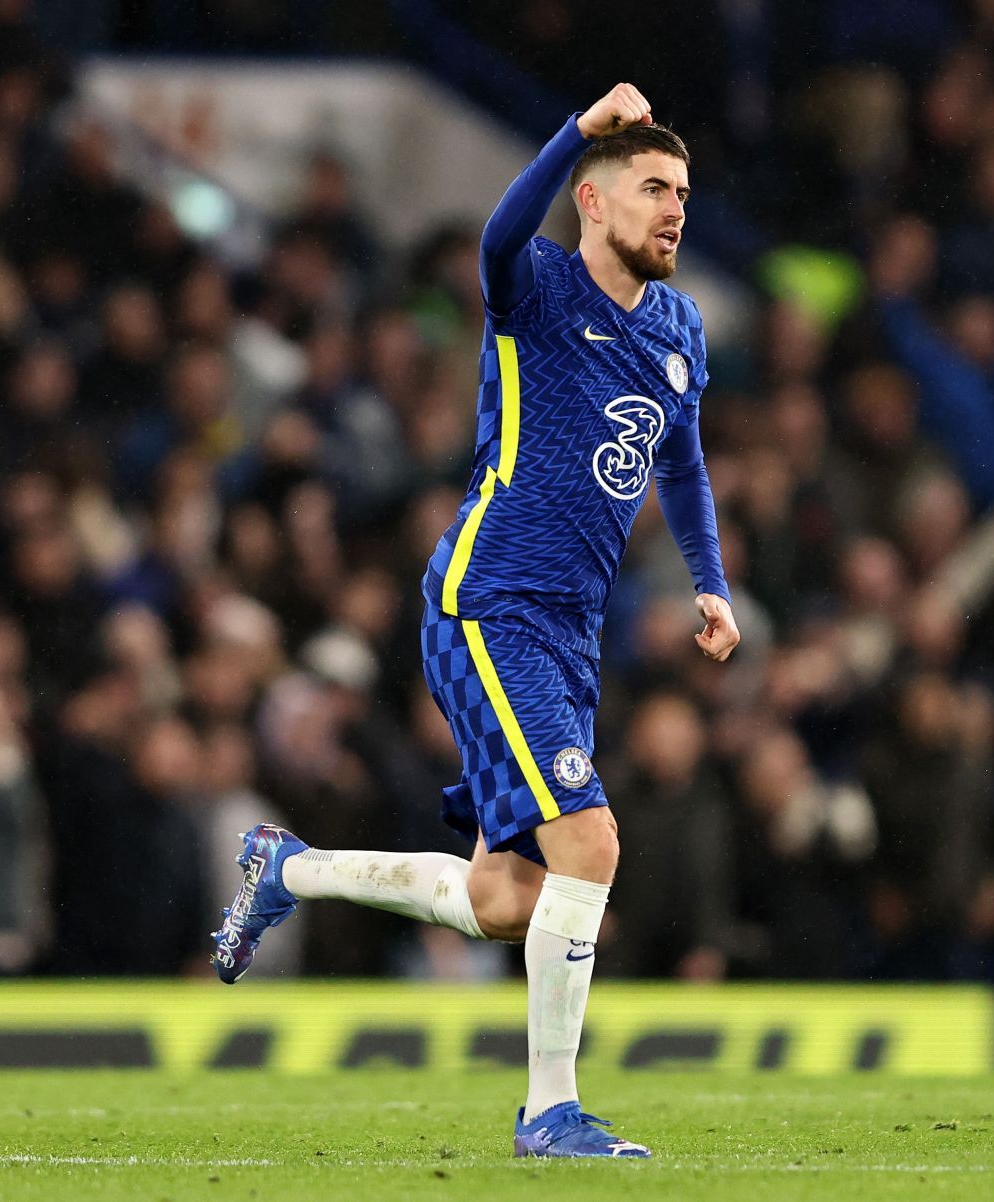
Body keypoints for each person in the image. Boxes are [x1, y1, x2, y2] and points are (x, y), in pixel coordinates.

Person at [209, 84, 738, 1158]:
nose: (675, 208)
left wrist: (708, 578)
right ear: (592, 202)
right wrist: (576, 131)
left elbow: (679, 462)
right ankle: (550, 1108)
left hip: (571, 630)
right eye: (651, 188)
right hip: (491, 598)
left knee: (509, 896)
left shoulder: (679, 328)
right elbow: (500, 231)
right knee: (592, 838)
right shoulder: (534, 284)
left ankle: (286, 869)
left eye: (682, 191)